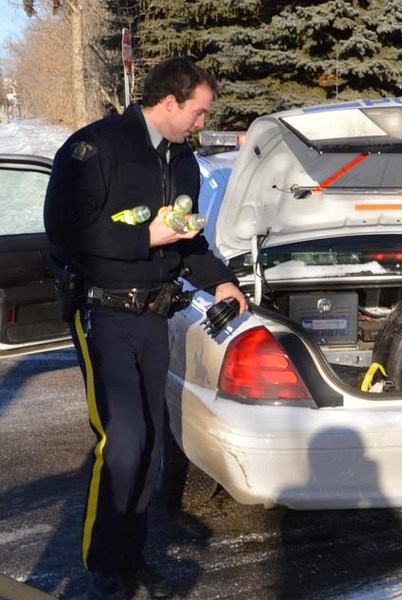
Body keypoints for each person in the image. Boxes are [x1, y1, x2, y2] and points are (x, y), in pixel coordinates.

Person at [44, 57, 246, 600]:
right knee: (124, 442)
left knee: (152, 446)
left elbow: (186, 238)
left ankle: (129, 559)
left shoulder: (181, 161)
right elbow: (64, 229)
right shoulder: (96, 148)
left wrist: (221, 282)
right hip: (103, 313)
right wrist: (143, 240)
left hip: (154, 315)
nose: (203, 123)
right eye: (200, 112)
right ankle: (101, 570)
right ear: (170, 102)